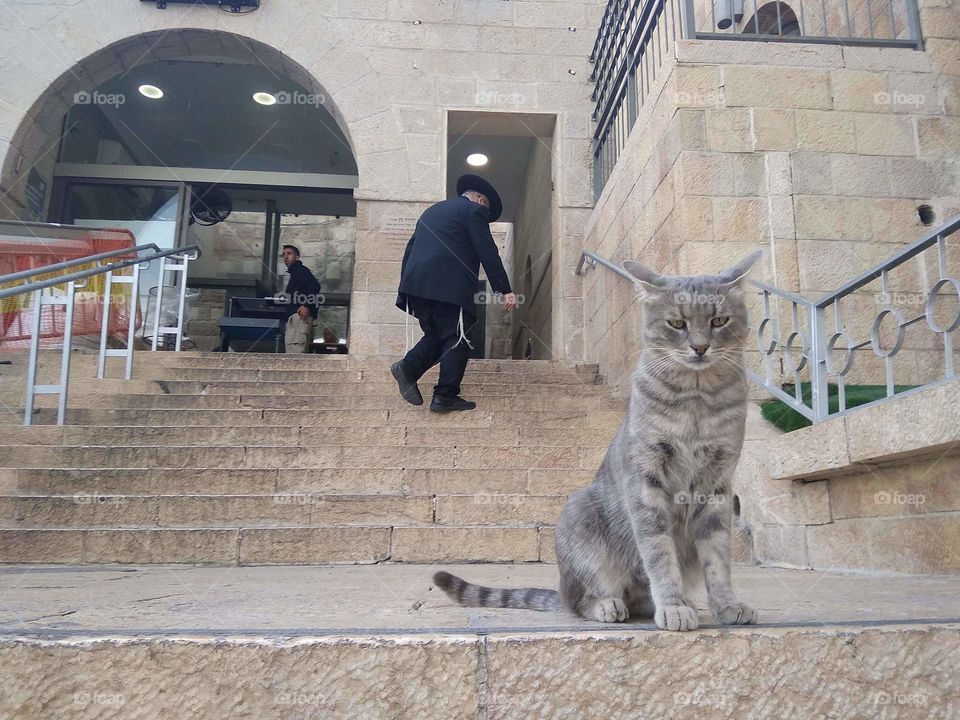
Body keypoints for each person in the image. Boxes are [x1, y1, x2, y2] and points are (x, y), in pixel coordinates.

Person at [392, 174, 517, 412]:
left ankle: (408, 367)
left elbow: (410, 249)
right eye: (487, 210)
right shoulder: (474, 211)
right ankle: (445, 394)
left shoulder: (432, 212)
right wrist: (504, 289)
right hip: (449, 286)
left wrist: (407, 286)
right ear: (481, 200)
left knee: (439, 334)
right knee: (459, 336)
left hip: (418, 286)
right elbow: (487, 251)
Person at [279, 244, 322, 353]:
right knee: (296, 351)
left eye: (289, 253)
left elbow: (314, 286)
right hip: (297, 317)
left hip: (298, 317)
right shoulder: (296, 272)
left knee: (295, 352)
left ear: (297, 257)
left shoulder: (300, 270)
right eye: (283, 254)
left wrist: (306, 305)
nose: (285, 256)